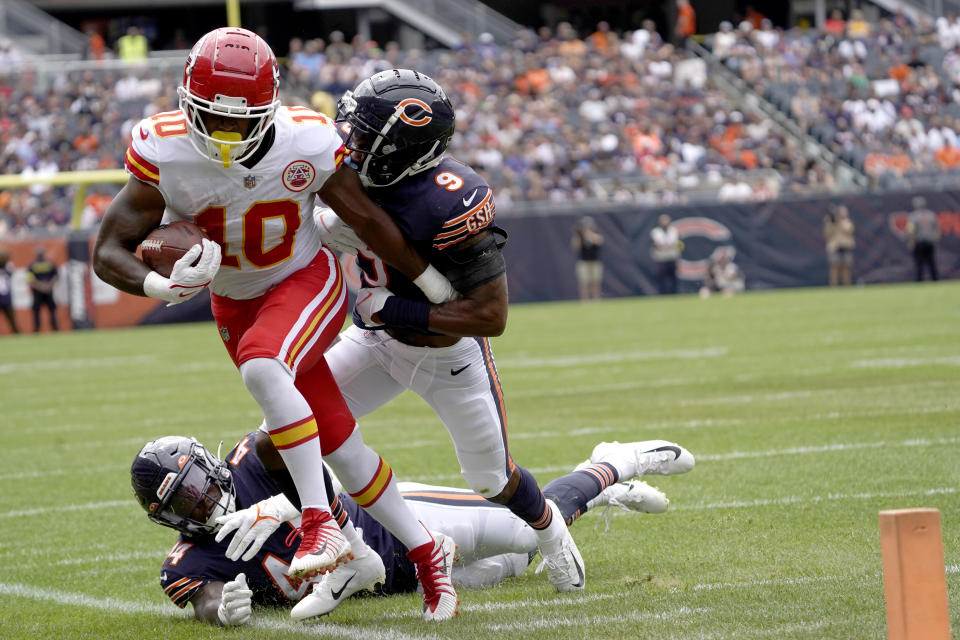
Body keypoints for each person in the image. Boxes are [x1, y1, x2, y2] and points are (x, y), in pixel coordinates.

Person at [92, 28, 460, 621]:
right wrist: (158, 286)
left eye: (242, 122)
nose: (228, 137)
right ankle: (424, 556)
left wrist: (428, 279)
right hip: (234, 303)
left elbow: (363, 217)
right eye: (214, 121)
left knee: (265, 366)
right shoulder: (163, 148)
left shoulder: (307, 139)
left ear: (271, 110)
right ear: (187, 105)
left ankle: (322, 524)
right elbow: (109, 248)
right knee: (340, 441)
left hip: (302, 279)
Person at [313, 68, 641, 594]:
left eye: (365, 134)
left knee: (491, 479)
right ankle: (343, 543)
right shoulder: (341, 169)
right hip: (375, 345)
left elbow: (491, 316)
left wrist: (391, 309)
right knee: (294, 424)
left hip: (448, 357)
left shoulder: (448, 198)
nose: (349, 141)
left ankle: (551, 531)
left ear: (402, 148)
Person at [130, 430, 694, 625]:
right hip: (400, 582)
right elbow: (202, 599)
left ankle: (612, 464)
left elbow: (290, 437)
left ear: (210, 463)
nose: (203, 501)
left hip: (399, 525)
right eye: (186, 501)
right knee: (517, 566)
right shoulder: (188, 563)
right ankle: (605, 491)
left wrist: (284, 503)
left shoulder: (254, 461)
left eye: (199, 482)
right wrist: (221, 613)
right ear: (167, 518)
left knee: (529, 531)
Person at [570, 216, 604, 301]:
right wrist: (579, 235)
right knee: (584, 282)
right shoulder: (579, 235)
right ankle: (585, 300)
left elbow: (599, 241)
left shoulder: (595, 233)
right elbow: (575, 246)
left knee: (595, 282)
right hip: (584, 262)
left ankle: (596, 299)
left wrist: (588, 234)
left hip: (595, 261)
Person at [906, 196, 940, 281]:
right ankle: (935, 279)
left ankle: (919, 280)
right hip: (929, 242)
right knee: (931, 262)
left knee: (919, 264)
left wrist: (911, 242)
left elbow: (911, 231)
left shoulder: (913, 216)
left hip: (919, 242)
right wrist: (935, 239)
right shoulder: (931, 215)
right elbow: (937, 229)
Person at [27, 246, 58, 332]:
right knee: (49, 310)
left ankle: (38, 329)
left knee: (42, 311)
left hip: (39, 290)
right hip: (46, 290)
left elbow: (30, 279)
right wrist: (47, 285)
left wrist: (41, 286)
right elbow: (55, 276)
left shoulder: (32, 264)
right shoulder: (49, 263)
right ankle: (53, 328)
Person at [823, 204, 855, 286]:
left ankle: (847, 285)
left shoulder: (847, 222)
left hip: (846, 246)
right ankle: (834, 285)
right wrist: (829, 223)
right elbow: (827, 234)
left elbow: (849, 230)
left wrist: (840, 222)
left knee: (846, 267)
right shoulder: (831, 223)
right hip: (834, 247)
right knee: (834, 266)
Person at [650, 214, 682, 294]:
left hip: (672, 257)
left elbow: (675, 243)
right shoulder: (655, 231)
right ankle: (662, 294)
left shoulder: (673, 230)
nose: (665, 223)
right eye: (663, 221)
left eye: (666, 220)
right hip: (661, 258)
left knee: (673, 277)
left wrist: (665, 245)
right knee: (662, 278)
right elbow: (656, 244)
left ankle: (674, 293)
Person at [0, 249, 19, 334]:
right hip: (5, 297)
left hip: (6, 298)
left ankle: (17, 335)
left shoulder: (8, 267)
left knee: (12, 320)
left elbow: (10, 272)